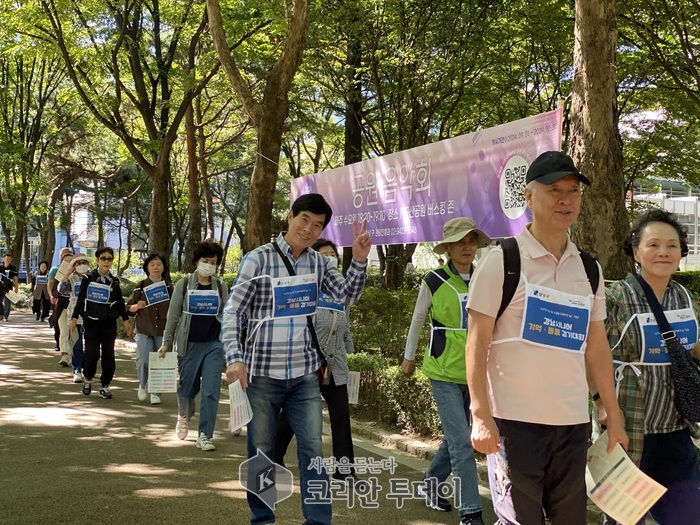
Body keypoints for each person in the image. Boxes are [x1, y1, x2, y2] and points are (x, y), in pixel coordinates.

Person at [465, 150, 628, 525]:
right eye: (555, 190)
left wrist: (613, 413)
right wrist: (480, 415)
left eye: (574, 191)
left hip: (572, 425)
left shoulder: (588, 268)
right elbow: (476, 343)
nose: (566, 200)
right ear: (529, 196)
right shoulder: (502, 261)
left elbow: (597, 346)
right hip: (513, 424)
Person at [222, 193, 370, 525]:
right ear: (291, 216)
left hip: (304, 375)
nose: (309, 229)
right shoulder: (258, 260)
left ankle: (317, 521)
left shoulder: (320, 264)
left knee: (313, 451)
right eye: (305, 219)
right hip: (262, 374)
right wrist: (234, 357)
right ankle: (263, 518)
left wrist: (359, 261)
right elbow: (233, 312)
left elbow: (346, 296)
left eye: (317, 225)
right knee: (262, 452)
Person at [602, 208, 700, 524]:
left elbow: (692, 346)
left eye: (672, 245)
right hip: (628, 429)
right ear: (635, 251)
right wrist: (601, 403)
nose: (663, 252)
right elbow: (592, 354)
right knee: (625, 518)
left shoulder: (683, 297)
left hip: (675, 431)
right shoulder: (615, 297)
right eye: (653, 244)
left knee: (688, 517)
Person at [400, 217, 489, 525]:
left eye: (471, 241)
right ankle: (471, 512)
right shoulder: (434, 280)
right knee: (463, 442)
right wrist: (408, 357)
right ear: (448, 248)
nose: (467, 247)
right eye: (460, 242)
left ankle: (430, 483)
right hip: (443, 371)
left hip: (477, 372)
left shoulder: (485, 278)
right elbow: (417, 319)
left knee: (456, 439)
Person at [274, 238, 359, 482]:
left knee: (340, 417)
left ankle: (345, 470)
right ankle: (273, 457)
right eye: (324, 255)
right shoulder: (303, 289)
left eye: (332, 255)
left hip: (336, 365)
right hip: (308, 363)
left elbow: (344, 327)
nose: (329, 259)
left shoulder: (341, 293)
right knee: (292, 415)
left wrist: (350, 351)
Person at [158, 242, 228, 451]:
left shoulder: (220, 286)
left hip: (214, 345)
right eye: (205, 261)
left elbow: (228, 315)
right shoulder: (184, 285)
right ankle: (183, 415)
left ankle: (205, 435)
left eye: (213, 262)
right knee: (187, 387)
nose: (209, 265)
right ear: (197, 261)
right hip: (188, 344)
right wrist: (166, 342)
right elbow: (173, 315)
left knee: (211, 391)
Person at [69, 247, 132, 399]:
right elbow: (80, 299)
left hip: (109, 324)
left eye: (109, 259)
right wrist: (74, 319)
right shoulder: (88, 278)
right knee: (92, 355)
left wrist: (125, 320)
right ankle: (87, 378)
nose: (106, 261)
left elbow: (119, 302)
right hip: (91, 323)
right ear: (97, 260)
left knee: (109, 356)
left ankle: (105, 385)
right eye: (103, 258)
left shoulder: (114, 281)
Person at [127, 253, 173, 405]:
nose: (155, 267)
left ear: (164, 267)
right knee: (143, 359)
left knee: (160, 360)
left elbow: (176, 307)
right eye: (152, 264)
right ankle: (142, 384)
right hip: (143, 327)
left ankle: (156, 392)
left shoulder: (169, 287)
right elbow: (128, 308)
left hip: (162, 329)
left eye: (159, 264)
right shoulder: (140, 286)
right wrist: (136, 306)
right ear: (147, 267)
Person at [58, 254, 91, 383]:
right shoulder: (71, 278)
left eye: (84, 262)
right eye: (78, 263)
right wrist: (67, 273)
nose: (82, 265)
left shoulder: (93, 278)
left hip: (91, 315)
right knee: (76, 344)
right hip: (74, 316)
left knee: (90, 345)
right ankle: (77, 370)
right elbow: (61, 289)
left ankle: (86, 368)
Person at [48, 247, 74, 354]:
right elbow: (51, 285)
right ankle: (61, 348)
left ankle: (72, 351)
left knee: (73, 330)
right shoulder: (55, 269)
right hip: (60, 302)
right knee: (59, 326)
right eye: (63, 256)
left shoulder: (78, 272)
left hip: (74, 304)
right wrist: (51, 296)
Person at [0, 253, 19, 322]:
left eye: (9, 259)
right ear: (4, 259)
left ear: (11, 260)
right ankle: (1, 313)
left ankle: (5, 316)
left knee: (7, 302)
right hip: (0, 287)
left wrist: (16, 287)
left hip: (8, 287)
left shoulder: (13, 268)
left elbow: (15, 278)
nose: (8, 260)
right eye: (6, 259)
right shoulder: (0, 267)